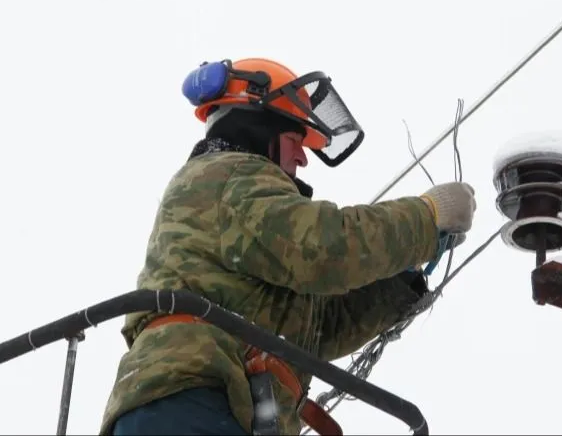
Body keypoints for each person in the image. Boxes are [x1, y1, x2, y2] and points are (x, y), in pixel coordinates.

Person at [99, 58, 477, 435]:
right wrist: (426, 217)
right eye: (296, 141)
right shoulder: (228, 175)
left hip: (217, 407)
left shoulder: (250, 223)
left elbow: (321, 328)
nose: (301, 158)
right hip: (192, 402)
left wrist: (402, 278)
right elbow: (325, 248)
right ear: (259, 130)